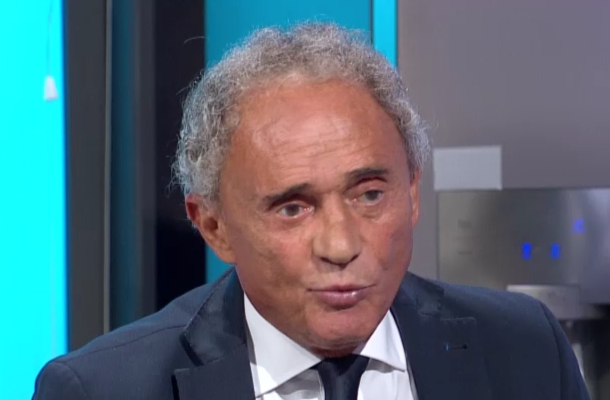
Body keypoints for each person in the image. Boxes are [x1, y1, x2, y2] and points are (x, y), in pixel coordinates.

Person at [33, 23, 589, 400]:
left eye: (369, 194)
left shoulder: (525, 348)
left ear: (414, 192)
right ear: (213, 226)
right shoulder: (102, 389)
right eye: (293, 208)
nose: (341, 245)